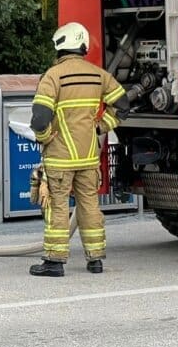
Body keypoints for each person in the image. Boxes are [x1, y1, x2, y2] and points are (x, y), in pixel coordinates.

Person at [29, 21, 130, 277]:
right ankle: (95, 259)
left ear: (59, 46)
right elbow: (123, 105)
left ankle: (54, 261)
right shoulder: (99, 75)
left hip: (60, 158)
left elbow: (40, 118)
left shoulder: (52, 76)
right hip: (88, 157)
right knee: (89, 205)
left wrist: (45, 137)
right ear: (83, 45)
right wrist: (100, 128)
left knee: (57, 206)